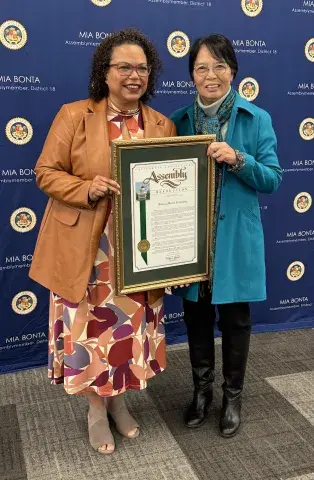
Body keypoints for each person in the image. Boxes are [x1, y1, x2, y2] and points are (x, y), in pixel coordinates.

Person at [29, 28, 176, 454]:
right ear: (104, 72)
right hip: (87, 252)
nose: (134, 75)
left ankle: (118, 401)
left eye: (142, 68)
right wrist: (86, 188)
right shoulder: (75, 115)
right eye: (124, 67)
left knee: (127, 331)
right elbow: (45, 172)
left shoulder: (161, 124)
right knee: (89, 333)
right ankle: (96, 408)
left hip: (138, 254)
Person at [170, 34, 282, 438]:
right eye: (201, 67)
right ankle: (202, 393)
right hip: (191, 241)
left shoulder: (257, 119)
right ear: (192, 76)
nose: (210, 75)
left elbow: (273, 179)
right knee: (196, 319)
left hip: (234, 239)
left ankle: (232, 396)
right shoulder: (178, 121)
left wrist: (239, 159)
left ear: (232, 71)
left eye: (219, 66)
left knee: (236, 321)